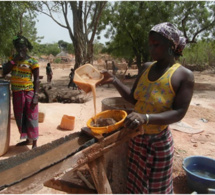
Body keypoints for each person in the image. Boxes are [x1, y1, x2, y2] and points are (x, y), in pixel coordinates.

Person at [99, 22, 194, 194]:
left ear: (171, 45)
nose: (151, 49)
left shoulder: (183, 75)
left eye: (156, 45)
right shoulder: (146, 67)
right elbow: (134, 99)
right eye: (150, 44)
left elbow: (179, 113)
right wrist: (114, 80)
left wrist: (146, 118)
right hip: (136, 140)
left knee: (157, 190)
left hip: (158, 144)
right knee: (136, 187)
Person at [3, 35, 39, 149]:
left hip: (29, 92)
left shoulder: (32, 61)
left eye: (22, 46)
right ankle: (27, 139)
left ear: (26, 48)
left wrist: (36, 95)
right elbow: (4, 71)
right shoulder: (12, 59)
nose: (20, 49)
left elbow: (37, 79)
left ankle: (34, 143)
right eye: (18, 47)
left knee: (31, 117)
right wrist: (14, 60)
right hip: (17, 92)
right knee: (20, 116)